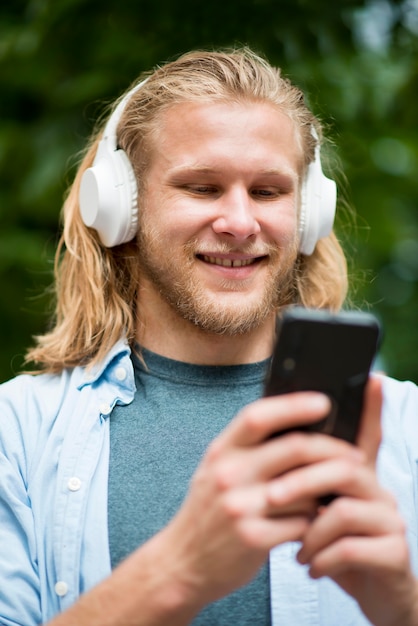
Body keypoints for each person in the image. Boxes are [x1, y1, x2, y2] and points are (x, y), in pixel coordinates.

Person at [1, 47, 418, 626]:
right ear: (122, 206)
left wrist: (403, 605)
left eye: (269, 192)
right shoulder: (14, 433)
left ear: (309, 214)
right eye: (201, 187)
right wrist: (180, 570)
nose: (240, 223)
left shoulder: (406, 428)